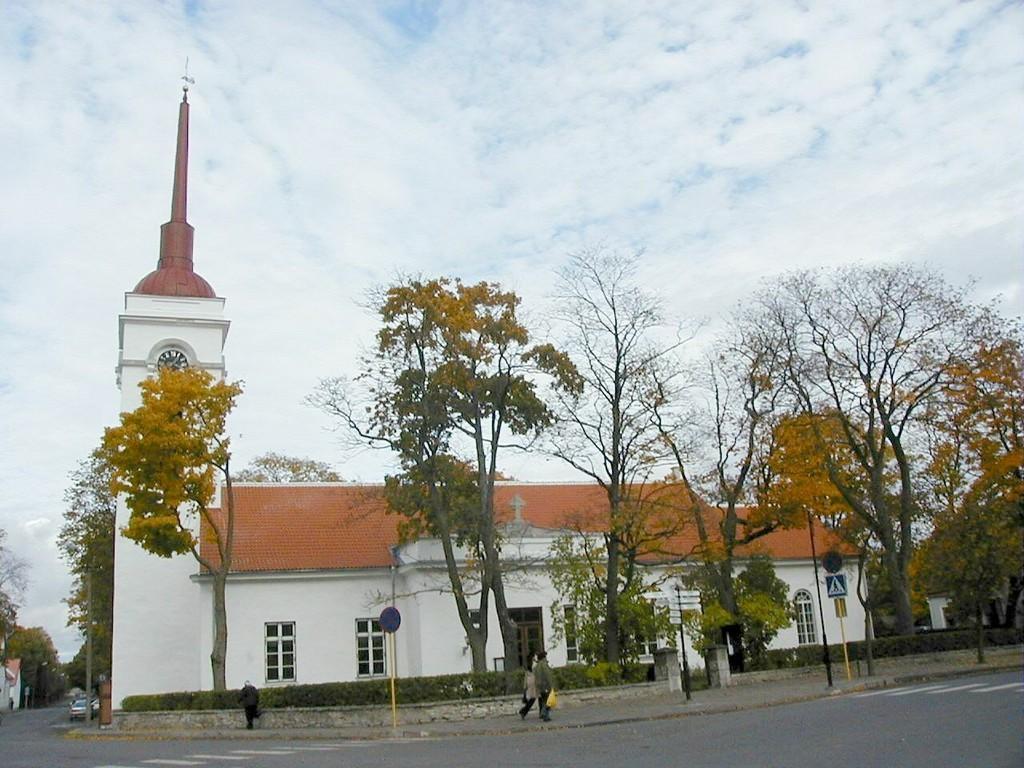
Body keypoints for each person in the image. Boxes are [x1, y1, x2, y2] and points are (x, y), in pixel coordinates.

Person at [533, 650, 553, 722]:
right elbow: (547, 676)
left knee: (543, 701)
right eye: (545, 656)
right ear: (543, 657)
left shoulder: (537, 666)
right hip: (545, 686)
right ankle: (544, 714)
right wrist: (550, 685)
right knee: (548, 701)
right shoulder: (543, 665)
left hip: (540, 686)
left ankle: (544, 714)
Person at [518, 652, 537, 719]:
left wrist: (525, 685)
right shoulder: (534, 664)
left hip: (529, 682)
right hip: (533, 683)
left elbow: (526, 676)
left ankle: (524, 711)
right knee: (533, 698)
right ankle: (523, 710)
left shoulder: (528, 665)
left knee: (532, 698)